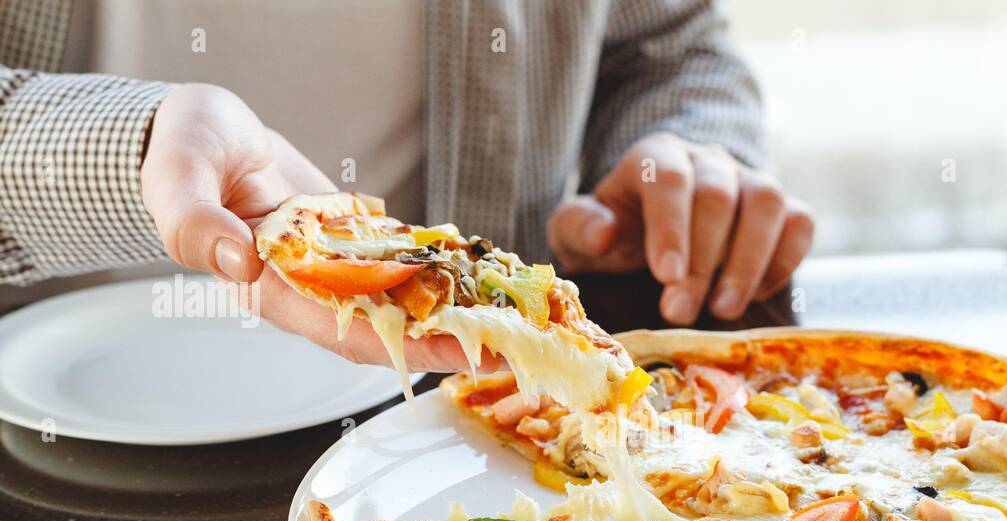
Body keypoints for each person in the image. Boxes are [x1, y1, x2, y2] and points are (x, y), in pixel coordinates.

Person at [0, 0, 814, 372]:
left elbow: (667, 47)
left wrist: (678, 153)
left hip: (467, 408)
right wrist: (131, 150)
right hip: (39, 426)